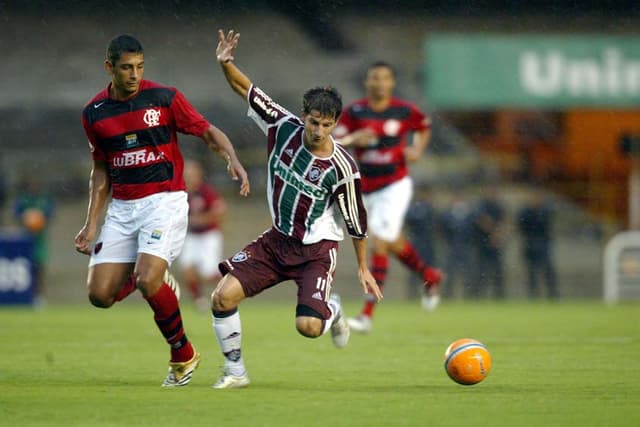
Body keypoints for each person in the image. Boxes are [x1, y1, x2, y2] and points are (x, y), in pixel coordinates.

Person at [74, 34, 250, 387]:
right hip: (123, 208)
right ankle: (151, 281)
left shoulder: (164, 98)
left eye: (139, 67)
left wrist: (232, 158)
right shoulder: (95, 114)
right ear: (109, 68)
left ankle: (181, 354)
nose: (134, 74)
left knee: (147, 277)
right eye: (126, 68)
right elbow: (102, 171)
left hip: (164, 202)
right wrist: (91, 223)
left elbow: (207, 131)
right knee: (99, 295)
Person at [211, 29, 382, 389]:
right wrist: (226, 62)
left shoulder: (343, 168)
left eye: (326, 124)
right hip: (277, 242)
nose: (318, 130)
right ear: (304, 115)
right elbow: (246, 89)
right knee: (222, 297)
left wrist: (364, 267)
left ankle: (331, 310)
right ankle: (235, 371)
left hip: (316, 252)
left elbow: (356, 222)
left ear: (335, 124)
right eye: (314, 121)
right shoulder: (282, 125)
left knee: (308, 328)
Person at [333, 61, 442, 333]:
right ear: (367, 82)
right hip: (365, 187)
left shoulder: (403, 111)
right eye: (374, 78)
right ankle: (429, 275)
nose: (379, 83)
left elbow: (424, 126)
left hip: (395, 184)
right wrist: (355, 137)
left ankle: (367, 315)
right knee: (391, 241)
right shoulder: (355, 112)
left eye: (385, 78)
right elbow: (335, 140)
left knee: (380, 242)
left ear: (392, 83)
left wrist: (416, 149)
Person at [178, 159, 227, 311]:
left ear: (198, 174)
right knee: (186, 268)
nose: (188, 176)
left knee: (209, 273)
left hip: (208, 235)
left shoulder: (206, 191)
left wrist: (201, 220)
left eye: (191, 173)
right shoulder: (181, 192)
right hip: (191, 236)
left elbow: (220, 210)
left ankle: (231, 289)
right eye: (186, 173)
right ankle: (199, 300)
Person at [13, 177, 55, 306]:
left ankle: (39, 297)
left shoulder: (44, 199)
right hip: (25, 239)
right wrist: (26, 217)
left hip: (40, 239)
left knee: (39, 269)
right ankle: (24, 296)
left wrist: (39, 218)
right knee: (25, 268)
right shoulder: (24, 199)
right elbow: (16, 212)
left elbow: (50, 212)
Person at [517, 190, 558, 299]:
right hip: (529, 243)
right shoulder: (525, 212)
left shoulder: (545, 210)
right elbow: (521, 228)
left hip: (543, 243)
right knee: (531, 272)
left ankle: (552, 294)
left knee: (547, 270)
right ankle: (533, 295)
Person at [472, 187, 506, 298]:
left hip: (495, 244)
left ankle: (499, 295)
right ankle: (478, 295)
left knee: (497, 271)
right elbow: (481, 220)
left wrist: (498, 234)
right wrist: (494, 233)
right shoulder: (480, 206)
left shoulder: (498, 207)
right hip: (482, 244)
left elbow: (505, 222)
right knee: (481, 271)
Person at [440, 190, 475, 299]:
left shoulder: (470, 214)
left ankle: (469, 295)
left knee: (468, 273)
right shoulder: (447, 214)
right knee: (449, 272)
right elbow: (443, 230)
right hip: (452, 247)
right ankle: (448, 295)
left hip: (466, 247)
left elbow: (472, 230)